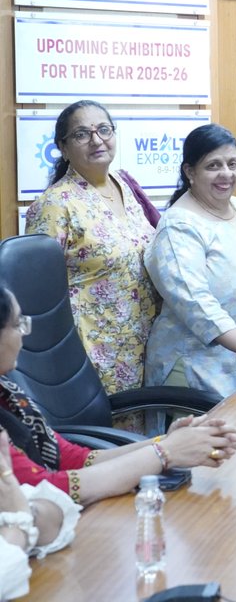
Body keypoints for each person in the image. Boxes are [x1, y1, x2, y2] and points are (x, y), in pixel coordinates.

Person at [0, 282, 236, 511]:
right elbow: (45, 489)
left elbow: (72, 458)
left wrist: (168, 442)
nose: (24, 334)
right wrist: (165, 454)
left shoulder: (7, 392)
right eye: (18, 324)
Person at [24, 101, 160, 427]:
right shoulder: (56, 204)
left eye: (104, 130)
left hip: (144, 344)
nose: (97, 140)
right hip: (91, 354)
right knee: (106, 451)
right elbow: (37, 295)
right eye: (82, 134)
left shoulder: (125, 186)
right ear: (63, 147)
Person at [144, 125, 236, 399]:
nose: (226, 173)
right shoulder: (179, 226)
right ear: (190, 172)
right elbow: (194, 301)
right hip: (195, 369)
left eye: (232, 164)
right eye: (213, 165)